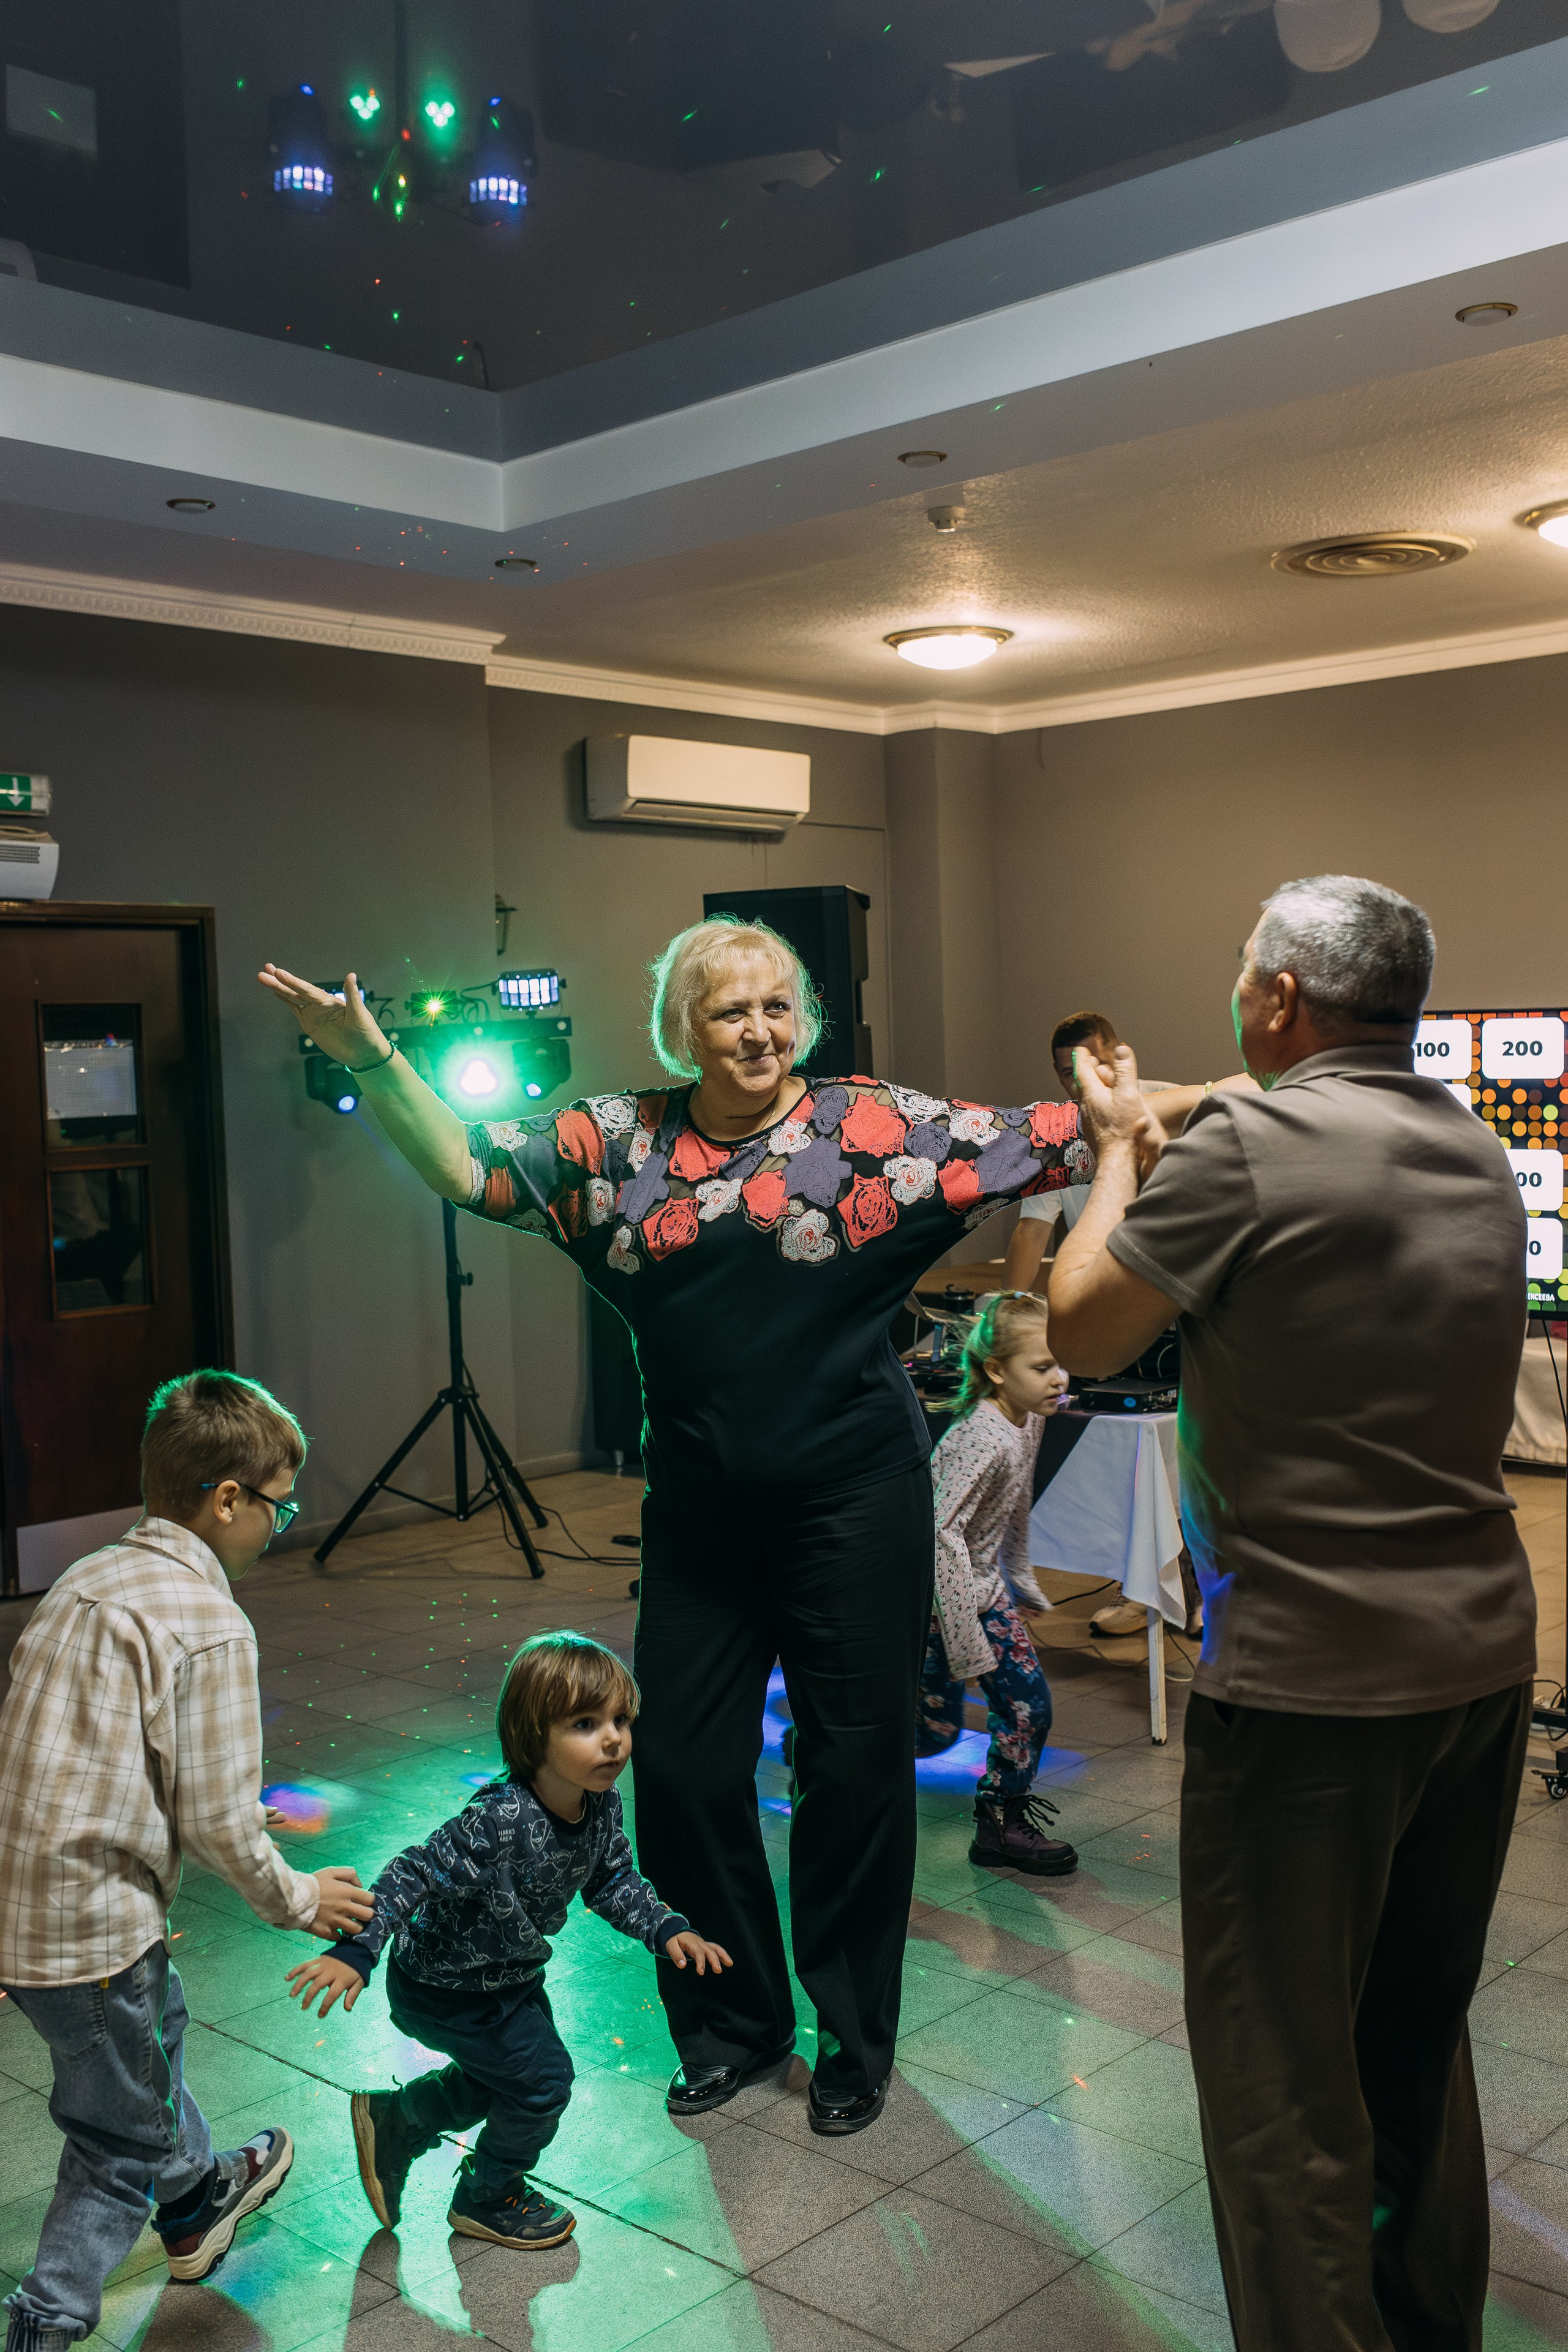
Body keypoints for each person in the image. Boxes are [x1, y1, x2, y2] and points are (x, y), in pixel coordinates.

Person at [261, 922, 1212, 2136]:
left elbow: (1068, 1126)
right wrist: (374, 1058)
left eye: (775, 1007)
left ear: (801, 1019)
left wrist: (1288, 1086)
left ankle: (851, 2040)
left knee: (851, 1771)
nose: (756, 1030)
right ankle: (731, 2024)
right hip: (702, 1516)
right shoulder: (616, 1145)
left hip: (855, 1504)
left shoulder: (872, 1131)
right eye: (727, 1012)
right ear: (680, 1030)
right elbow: (461, 1167)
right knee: (684, 1769)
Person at [1047, 874, 1536, 2352]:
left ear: (1272, 998)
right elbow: (1282, 1117)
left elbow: (1078, 1326)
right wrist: (1172, 1101)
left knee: (1276, 2080)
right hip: (1478, 1666)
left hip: (1311, 1687)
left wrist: (1112, 1151)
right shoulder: (1463, 1143)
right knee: (1408, 2037)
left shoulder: (1246, 1149)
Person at [0, 1371, 374, 2352]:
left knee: (146, 2042)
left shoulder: (88, 1580)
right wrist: (298, 1897)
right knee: (116, 2137)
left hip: (24, 1904)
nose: (280, 1525)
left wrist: (230, 1807)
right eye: (279, 1505)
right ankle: (45, 2323)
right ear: (227, 1499)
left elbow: (101, 1755)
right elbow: (211, 1824)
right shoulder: (209, 1623)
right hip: (92, 1931)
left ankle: (199, 2198)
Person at [285, 1630, 728, 2250]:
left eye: (621, 1720)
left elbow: (611, 1878)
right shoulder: (499, 1820)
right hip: (444, 1988)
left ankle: (398, 2121)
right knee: (544, 2082)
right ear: (534, 1734)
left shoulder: (599, 1805)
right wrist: (357, 1949)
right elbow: (410, 1873)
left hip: (510, 1979)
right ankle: (487, 2196)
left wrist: (665, 1926)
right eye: (585, 1723)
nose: (613, 1738)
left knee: (503, 2082)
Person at [918, 1294, 1077, 1875]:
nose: (1059, 1379)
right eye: (1042, 1368)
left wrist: (1021, 1580)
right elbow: (938, 1536)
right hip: (938, 1600)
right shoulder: (980, 1437)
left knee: (1028, 1706)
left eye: (1061, 1364)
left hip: (981, 1593)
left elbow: (1014, 1508)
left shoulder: (1028, 1418)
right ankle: (819, 1756)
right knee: (931, 1731)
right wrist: (962, 1638)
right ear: (996, 1371)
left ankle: (1000, 1826)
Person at [1000, 1011, 1178, 1299]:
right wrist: (1005, 1310)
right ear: (1058, 1075)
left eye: (1097, 1065)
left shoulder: (1170, 1100)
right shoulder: (1057, 1137)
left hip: (1175, 1282)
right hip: (1105, 1292)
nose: (1084, 1082)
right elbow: (1031, 1233)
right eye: (1071, 1073)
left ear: (1121, 1057)